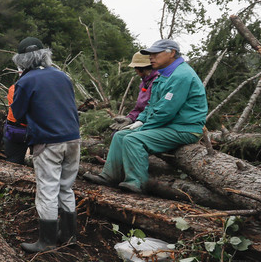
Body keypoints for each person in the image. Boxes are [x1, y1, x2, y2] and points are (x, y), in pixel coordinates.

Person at [87, 39, 206, 194]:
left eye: (156, 53)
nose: (151, 57)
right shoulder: (164, 75)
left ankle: (136, 182)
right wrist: (140, 119)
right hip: (169, 126)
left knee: (133, 139)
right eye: (150, 54)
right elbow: (151, 104)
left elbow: (166, 112)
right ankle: (109, 176)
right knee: (120, 136)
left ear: (172, 53)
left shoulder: (181, 76)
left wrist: (143, 127)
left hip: (184, 129)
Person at [9, 37, 81, 252]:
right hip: (73, 138)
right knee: (66, 187)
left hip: (47, 141)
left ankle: (47, 241)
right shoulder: (63, 76)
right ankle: (69, 236)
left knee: (47, 190)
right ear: (45, 55)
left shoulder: (25, 81)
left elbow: (18, 113)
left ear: (21, 61)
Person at [2, 71, 29, 165]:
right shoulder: (39, 89)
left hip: (15, 130)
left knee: (14, 160)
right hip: (23, 130)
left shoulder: (14, 88)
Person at [126, 52, 157, 122]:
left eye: (135, 67)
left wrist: (140, 121)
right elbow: (139, 108)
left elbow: (153, 108)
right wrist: (129, 118)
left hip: (150, 121)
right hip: (141, 118)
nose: (135, 70)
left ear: (141, 68)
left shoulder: (157, 81)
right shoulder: (144, 82)